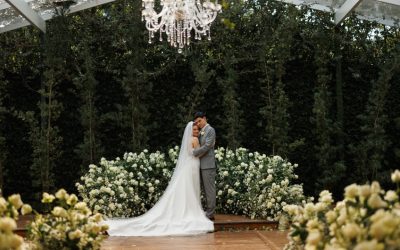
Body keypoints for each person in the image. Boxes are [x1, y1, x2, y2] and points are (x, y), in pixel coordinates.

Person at [106, 122, 214, 236]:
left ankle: (188, 208)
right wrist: (209, 146)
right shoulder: (195, 140)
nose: (197, 131)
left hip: (189, 166)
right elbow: (196, 154)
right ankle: (191, 210)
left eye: (197, 130)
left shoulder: (189, 139)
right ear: (191, 131)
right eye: (195, 130)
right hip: (192, 166)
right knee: (191, 188)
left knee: (189, 188)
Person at [193, 111, 217, 221]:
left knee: (209, 190)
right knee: (202, 190)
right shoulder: (200, 131)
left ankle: (210, 214)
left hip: (208, 165)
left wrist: (194, 152)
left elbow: (207, 146)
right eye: (197, 122)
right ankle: (205, 211)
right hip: (201, 165)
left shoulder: (210, 130)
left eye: (199, 121)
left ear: (205, 118)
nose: (198, 123)